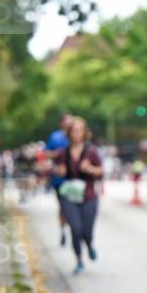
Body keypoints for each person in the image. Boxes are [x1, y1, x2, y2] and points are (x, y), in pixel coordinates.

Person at [52, 117, 103, 275]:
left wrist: (90, 169)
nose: (77, 133)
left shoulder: (91, 151)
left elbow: (101, 172)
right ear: (69, 133)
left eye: (80, 130)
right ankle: (79, 260)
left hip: (88, 196)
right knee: (75, 229)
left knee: (86, 230)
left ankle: (89, 243)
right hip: (69, 197)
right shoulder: (64, 153)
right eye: (74, 130)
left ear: (84, 132)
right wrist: (59, 171)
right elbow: (56, 169)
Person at [46, 113, 73, 246]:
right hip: (59, 178)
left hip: (75, 178)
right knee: (63, 206)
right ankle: (63, 230)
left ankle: (75, 228)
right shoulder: (55, 137)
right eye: (66, 122)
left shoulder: (77, 136)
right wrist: (58, 154)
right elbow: (46, 153)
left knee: (74, 206)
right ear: (61, 123)